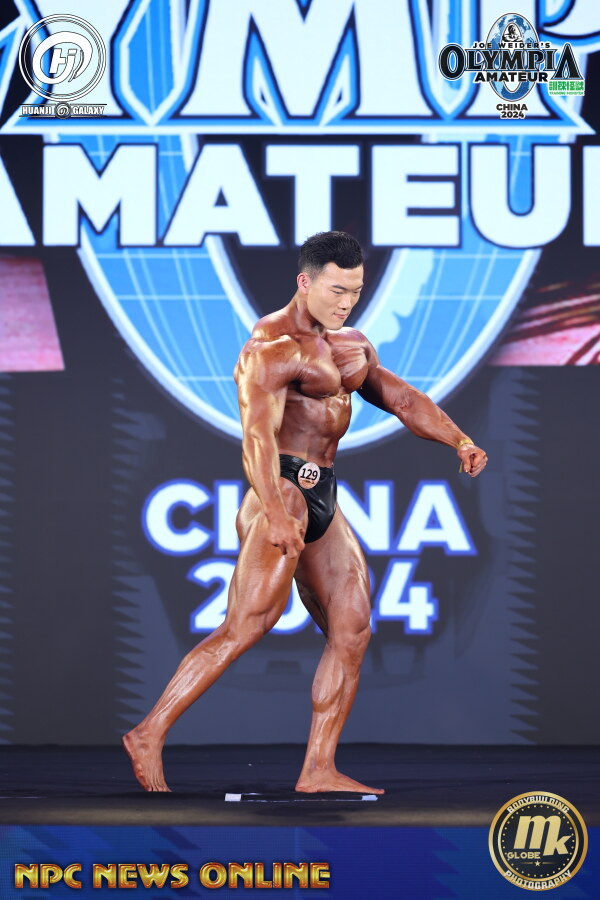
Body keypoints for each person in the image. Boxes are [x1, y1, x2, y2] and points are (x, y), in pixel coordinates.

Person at [123, 231, 488, 793]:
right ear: (305, 281)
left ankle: (318, 768)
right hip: (282, 489)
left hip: (324, 493)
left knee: (352, 627)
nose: (347, 303)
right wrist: (274, 511)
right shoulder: (270, 348)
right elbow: (257, 438)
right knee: (247, 625)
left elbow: (402, 399)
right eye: (337, 290)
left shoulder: (351, 345)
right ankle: (149, 733)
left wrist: (459, 440)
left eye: (356, 291)